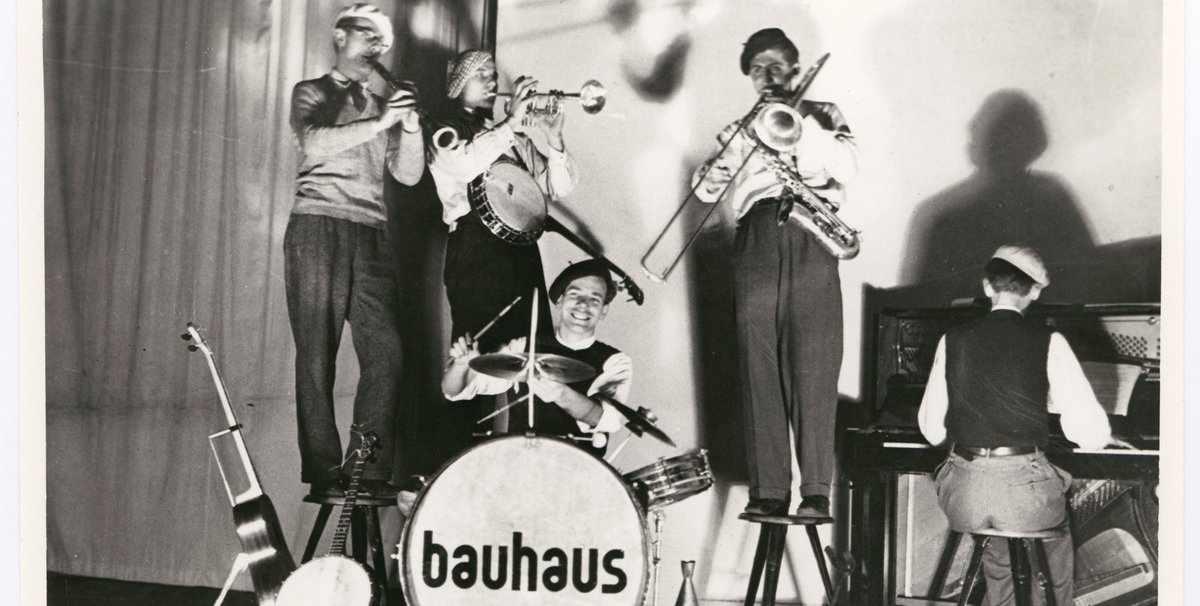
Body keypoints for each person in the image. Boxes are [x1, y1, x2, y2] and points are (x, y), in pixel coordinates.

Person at [692, 28, 858, 517]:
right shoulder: (737, 127)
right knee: (758, 361)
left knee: (815, 359)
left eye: (776, 65)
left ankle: (816, 491)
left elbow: (846, 166)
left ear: (793, 69)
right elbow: (704, 192)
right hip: (758, 234)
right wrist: (724, 163)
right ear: (750, 75)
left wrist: (801, 123)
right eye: (758, 68)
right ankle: (769, 490)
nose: (767, 76)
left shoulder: (823, 113)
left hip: (813, 232)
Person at [917, 246, 1129, 606]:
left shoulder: (952, 338)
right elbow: (1088, 431)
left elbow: (932, 429)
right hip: (1023, 493)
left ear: (987, 287)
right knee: (1054, 546)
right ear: (1034, 291)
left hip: (963, 497)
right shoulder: (1049, 341)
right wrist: (1105, 437)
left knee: (997, 541)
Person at [284, 3, 424, 497]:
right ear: (341, 38)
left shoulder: (381, 104)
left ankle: (366, 467)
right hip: (317, 225)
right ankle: (324, 471)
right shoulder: (312, 91)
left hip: (372, 234)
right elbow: (315, 144)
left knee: (387, 354)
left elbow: (408, 174)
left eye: (383, 43)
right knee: (316, 354)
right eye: (368, 37)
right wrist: (382, 118)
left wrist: (408, 128)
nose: (377, 49)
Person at [427, 48, 579, 354]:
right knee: (478, 355)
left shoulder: (514, 139)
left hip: (522, 249)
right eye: (480, 74)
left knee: (534, 354)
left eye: (493, 75)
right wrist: (511, 122)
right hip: (476, 251)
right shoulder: (442, 127)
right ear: (458, 84)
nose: (491, 81)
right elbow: (465, 165)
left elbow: (558, 186)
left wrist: (554, 139)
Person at [441, 259, 630, 455]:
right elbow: (454, 391)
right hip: (522, 464)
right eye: (575, 294)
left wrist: (561, 394)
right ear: (560, 301)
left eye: (595, 299)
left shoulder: (615, 362)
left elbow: (607, 420)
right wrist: (461, 366)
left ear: (604, 311)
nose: (583, 304)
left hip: (578, 470)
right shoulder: (523, 346)